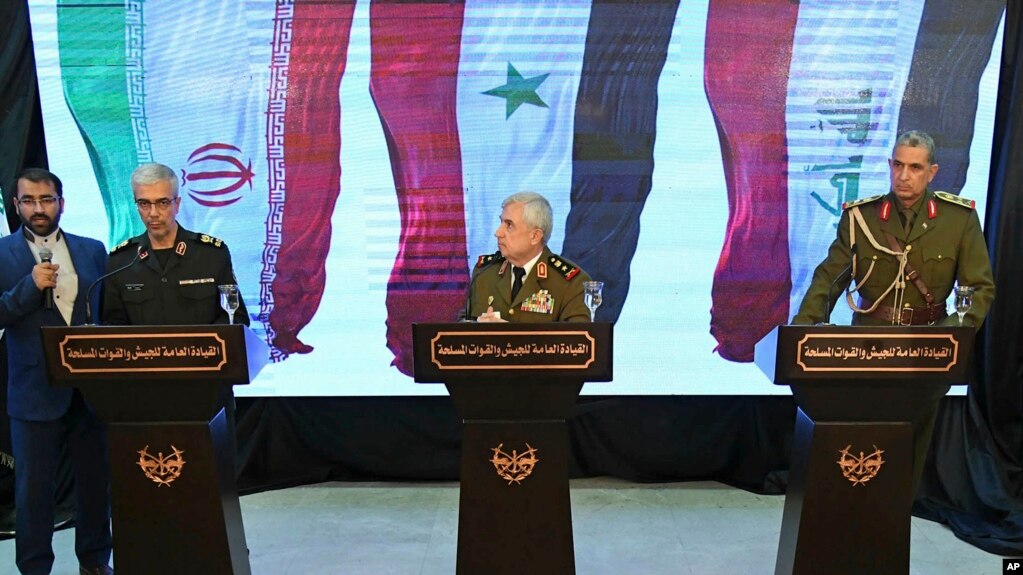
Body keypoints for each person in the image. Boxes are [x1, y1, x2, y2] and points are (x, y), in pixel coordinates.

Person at [792, 130, 996, 490]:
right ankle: (851, 518)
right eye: (898, 165)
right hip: (867, 345)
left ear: (931, 172)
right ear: (889, 165)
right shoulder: (862, 218)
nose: (904, 175)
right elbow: (829, 279)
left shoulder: (958, 220)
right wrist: (801, 332)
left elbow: (979, 289)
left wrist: (947, 339)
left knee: (908, 453)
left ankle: (894, 523)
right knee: (858, 445)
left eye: (915, 168)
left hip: (926, 349)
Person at [0, 168, 113, 575]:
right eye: (28, 201)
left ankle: (96, 561)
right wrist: (29, 286)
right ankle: (34, 568)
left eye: (46, 199)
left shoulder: (92, 249)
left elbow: (105, 312)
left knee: (95, 482)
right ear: (16, 206)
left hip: (90, 389)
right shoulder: (2, 253)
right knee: (33, 491)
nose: (38, 208)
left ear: (61, 203)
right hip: (33, 390)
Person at [102, 163, 249, 327]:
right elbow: (112, 327)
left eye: (162, 202)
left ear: (177, 204)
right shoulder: (121, 261)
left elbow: (235, 318)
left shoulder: (211, 254)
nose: (153, 213)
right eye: (144, 203)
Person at [463, 192, 591, 323]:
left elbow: (576, 340)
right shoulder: (485, 272)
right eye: (501, 222)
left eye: (509, 225)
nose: (498, 233)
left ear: (535, 236)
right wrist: (475, 327)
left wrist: (508, 334)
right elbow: (463, 323)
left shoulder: (571, 283)